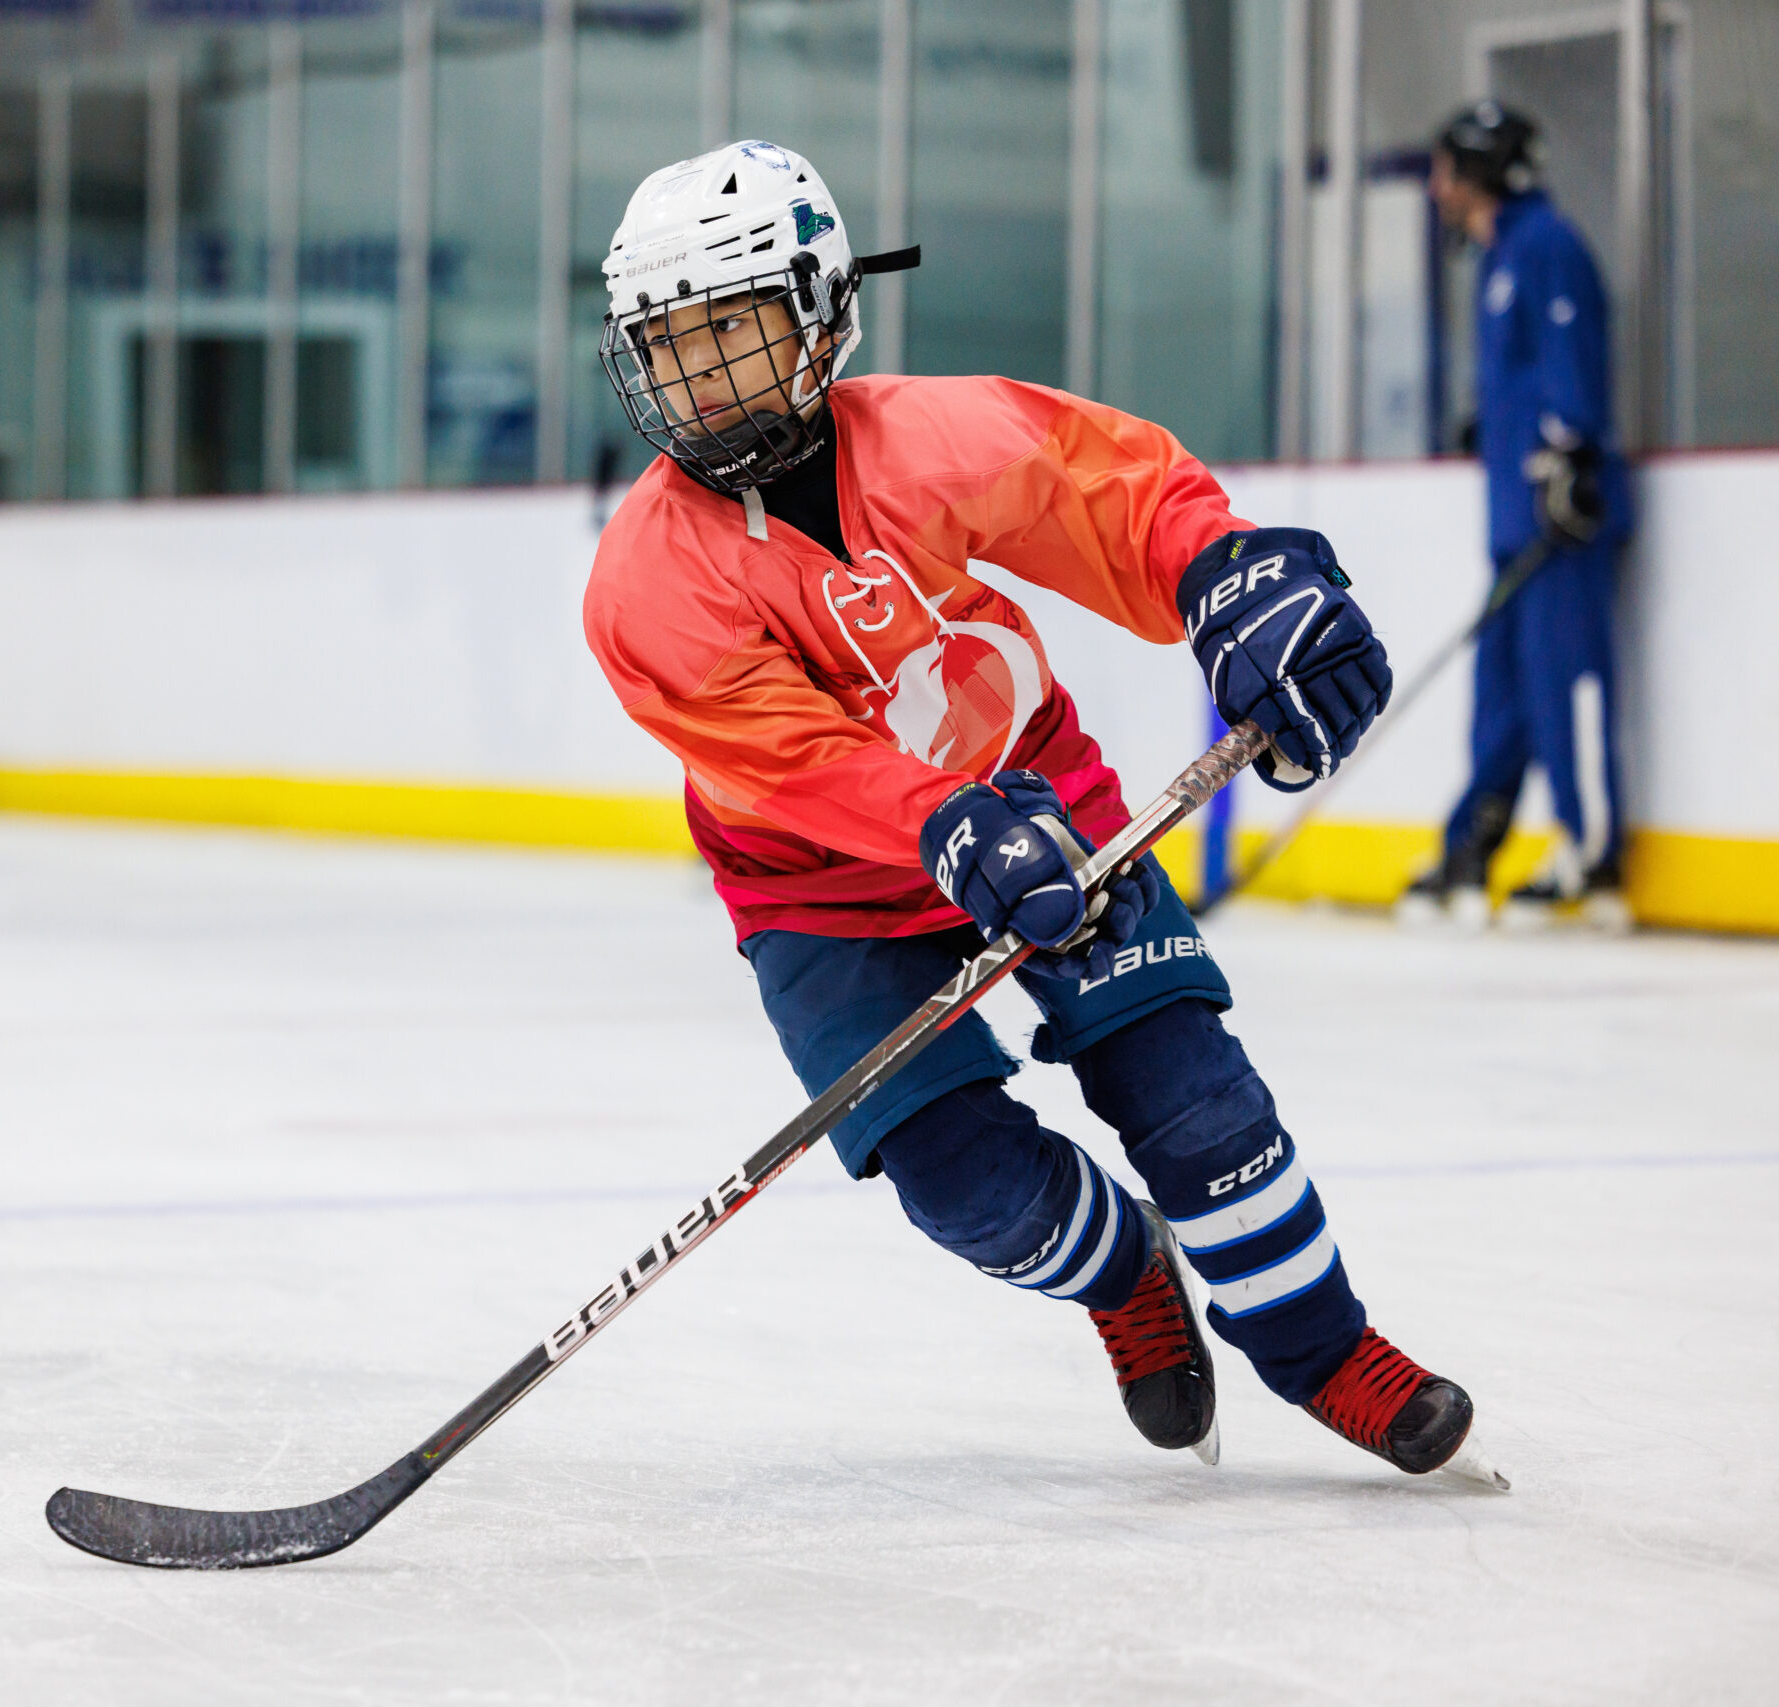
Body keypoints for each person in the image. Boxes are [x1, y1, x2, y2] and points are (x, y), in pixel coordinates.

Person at [582, 141, 1502, 1485]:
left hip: (1043, 804)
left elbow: (1110, 493)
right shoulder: (645, 583)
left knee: (1199, 1108)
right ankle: (1127, 1274)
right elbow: (787, 765)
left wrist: (1226, 571)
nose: (698, 373)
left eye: (732, 327)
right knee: (971, 1188)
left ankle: (1326, 1354)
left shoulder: (935, 440)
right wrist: (940, 823)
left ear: (824, 308)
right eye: (670, 342)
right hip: (824, 897)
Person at [1403, 101, 1632, 931]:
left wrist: (1572, 458)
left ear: (1478, 172)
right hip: (1514, 523)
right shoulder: (1500, 256)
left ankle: (1590, 853)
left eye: (1444, 171)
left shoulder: (1545, 245)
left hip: (1557, 518)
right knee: (1502, 690)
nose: (1436, 189)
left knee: (1567, 682)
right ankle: (1473, 846)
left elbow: (1574, 371)